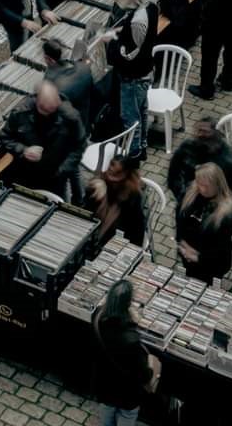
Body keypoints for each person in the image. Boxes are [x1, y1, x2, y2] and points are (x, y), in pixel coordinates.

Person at [1, 80, 86, 202]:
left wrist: (62, 170)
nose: (48, 115)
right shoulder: (21, 112)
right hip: (24, 174)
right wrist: (23, 150)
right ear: (37, 102)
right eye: (44, 110)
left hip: (55, 178)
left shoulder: (70, 117)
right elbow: (6, 137)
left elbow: (79, 147)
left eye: (52, 110)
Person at [91, 280, 159, 426]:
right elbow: (143, 375)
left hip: (104, 383)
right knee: (127, 417)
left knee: (106, 413)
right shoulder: (131, 340)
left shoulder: (97, 316)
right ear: (128, 304)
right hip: (126, 392)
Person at [104, 0, 158, 160]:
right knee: (141, 111)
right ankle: (142, 146)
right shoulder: (150, 7)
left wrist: (113, 41)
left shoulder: (137, 20)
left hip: (134, 77)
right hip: (145, 71)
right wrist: (120, 32)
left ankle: (133, 154)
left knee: (130, 118)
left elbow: (130, 54)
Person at [167, 117, 232, 206]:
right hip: (188, 202)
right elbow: (173, 175)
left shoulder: (228, 161)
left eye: (205, 131)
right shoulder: (187, 148)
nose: (200, 135)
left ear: (216, 134)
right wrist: (183, 196)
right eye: (198, 130)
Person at [87, 157, 146, 247]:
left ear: (126, 175)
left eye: (117, 175)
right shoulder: (100, 184)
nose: (112, 180)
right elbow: (85, 214)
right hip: (91, 238)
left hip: (116, 244)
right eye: (110, 172)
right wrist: (92, 191)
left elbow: (137, 233)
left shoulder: (132, 198)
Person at [43, 38, 95, 130]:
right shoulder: (84, 68)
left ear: (48, 59)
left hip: (66, 133)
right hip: (83, 124)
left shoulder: (51, 84)